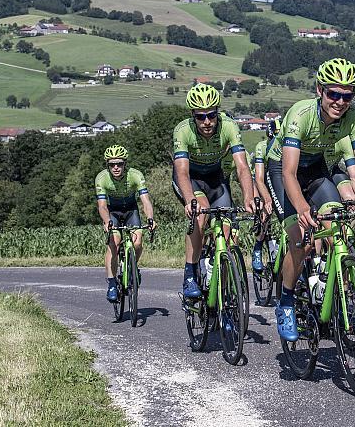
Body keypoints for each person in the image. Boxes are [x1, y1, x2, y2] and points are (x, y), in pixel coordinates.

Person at [266, 57, 355, 341]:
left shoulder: (353, 118)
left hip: (314, 169)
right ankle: (286, 302)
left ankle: (333, 290)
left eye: (346, 95)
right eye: (333, 94)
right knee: (299, 241)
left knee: (338, 223)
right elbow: (288, 173)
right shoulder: (301, 115)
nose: (340, 101)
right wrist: (300, 208)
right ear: (319, 91)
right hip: (282, 169)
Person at [172, 83, 255, 299]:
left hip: (217, 180)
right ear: (193, 116)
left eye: (211, 115)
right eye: (201, 117)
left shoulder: (229, 126)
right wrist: (190, 199)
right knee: (201, 215)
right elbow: (181, 172)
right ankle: (190, 273)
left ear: (218, 112)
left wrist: (248, 196)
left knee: (229, 236)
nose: (207, 122)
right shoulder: (183, 130)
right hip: (192, 180)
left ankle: (224, 298)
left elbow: (242, 167)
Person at [95, 145, 156, 302]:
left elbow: (145, 201)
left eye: (119, 164)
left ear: (125, 164)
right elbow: (102, 205)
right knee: (113, 243)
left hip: (131, 211)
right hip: (113, 212)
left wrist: (150, 218)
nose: (116, 167)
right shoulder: (102, 178)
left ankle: (133, 268)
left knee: (138, 241)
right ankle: (111, 283)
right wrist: (107, 221)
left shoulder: (135, 175)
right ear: (107, 165)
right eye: (112, 164)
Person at [251, 119, 279, 273]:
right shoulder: (262, 147)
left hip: (279, 181)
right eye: (275, 134)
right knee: (265, 212)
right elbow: (258, 180)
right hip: (262, 183)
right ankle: (257, 248)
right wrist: (267, 199)